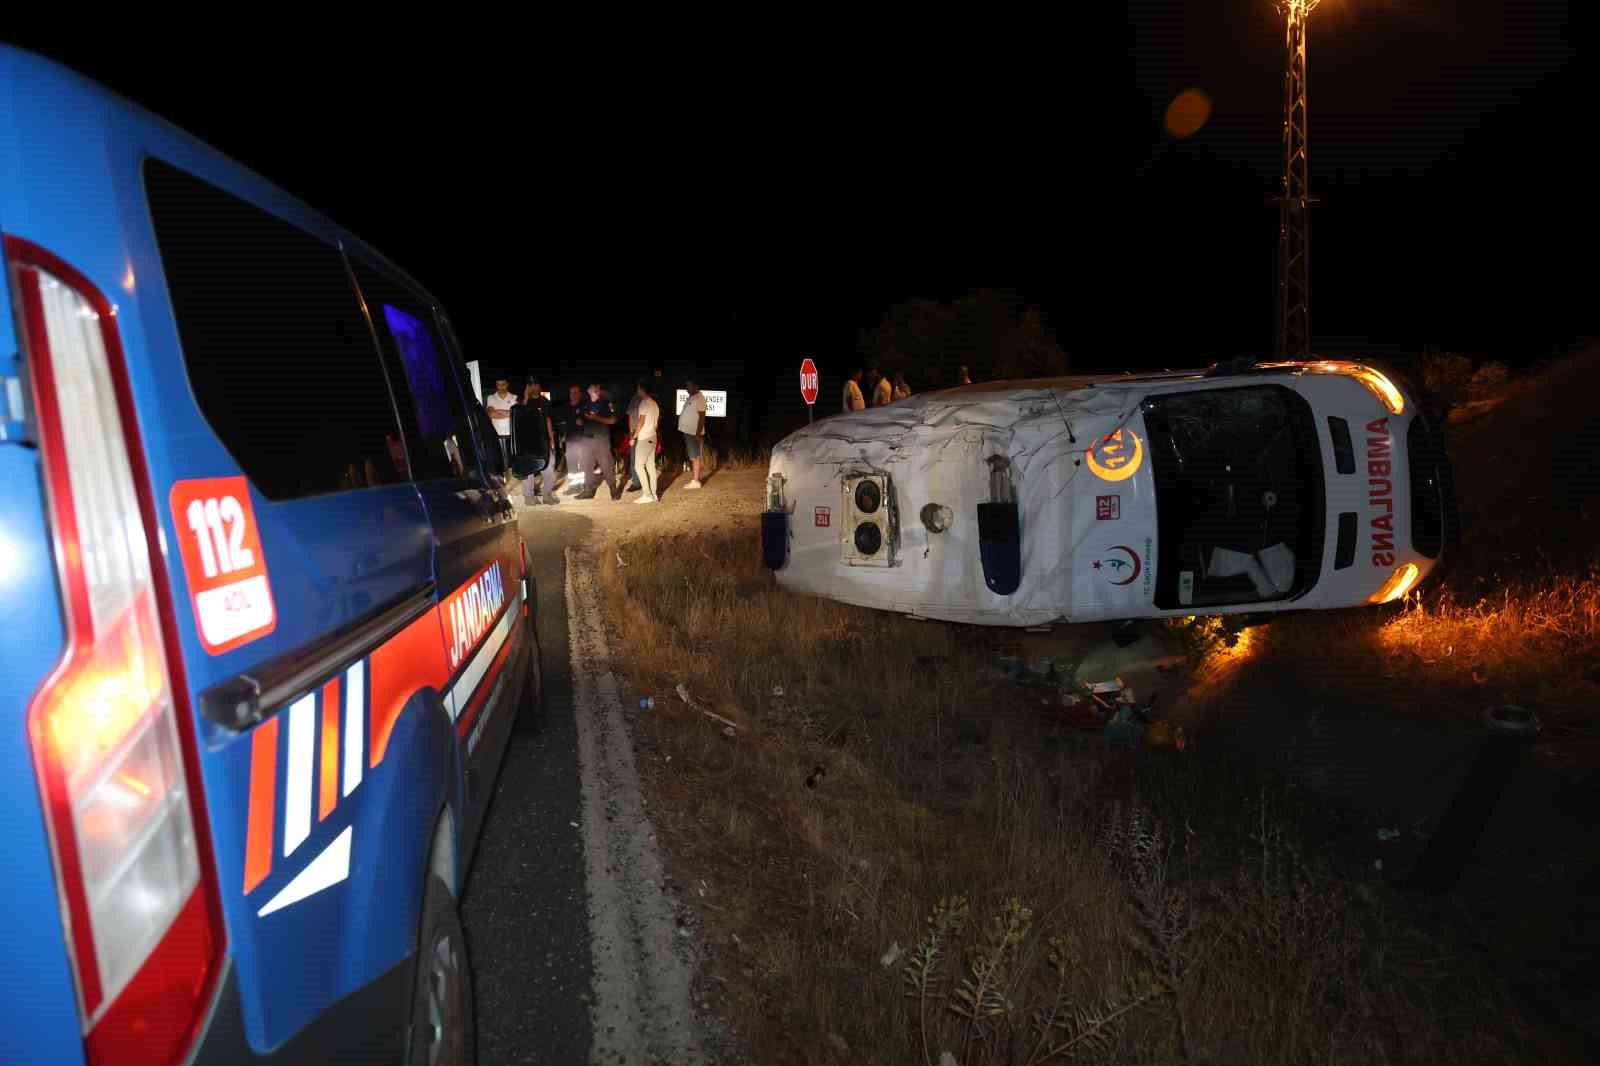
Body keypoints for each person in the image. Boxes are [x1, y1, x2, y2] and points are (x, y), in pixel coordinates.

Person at [518, 376, 559, 505]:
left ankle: (547, 495)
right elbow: (520, 415)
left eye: (536, 384)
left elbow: (548, 420)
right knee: (528, 469)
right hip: (527, 441)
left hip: (543, 439)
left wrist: (551, 439)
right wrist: (525, 396)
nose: (533, 387)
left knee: (549, 466)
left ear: (540, 386)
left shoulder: (544, 401)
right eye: (530, 385)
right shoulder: (522, 400)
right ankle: (528, 497)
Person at [576, 382, 619, 500]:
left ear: (597, 389)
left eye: (592, 386)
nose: (589, 388)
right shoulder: (585, 404)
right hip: (586, 440)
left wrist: (596, 418)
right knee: (586, 466)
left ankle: (613, 490)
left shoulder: (605, 404)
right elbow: (580, 417)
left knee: (606, 466)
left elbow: (613, 420)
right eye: (588, 387)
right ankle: (588, 491)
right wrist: (580, 421)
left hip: (601, 440)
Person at [630, 378, 661, 503]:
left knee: (638, 466)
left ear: (642, 389)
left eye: (638, 388)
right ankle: (654, 494)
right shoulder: (654, 404)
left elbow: (641, 422)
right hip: (653, 437)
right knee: (650, 467)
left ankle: (647, 494)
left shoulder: (644, 403)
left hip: (644, 438)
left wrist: (634, 437)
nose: (637, 391)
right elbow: (656, 424)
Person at [678, 377, 708, 489]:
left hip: (693, 433)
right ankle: (695, 479)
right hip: (688, 431)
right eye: (686, 386)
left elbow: (702, 417)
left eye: (689, 386)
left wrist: (698, 433)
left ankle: (696, 481)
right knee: (692, 455)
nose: (686, 388)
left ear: (696, 386)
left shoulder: (699, 398)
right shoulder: (692, 397)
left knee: (695, 456)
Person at [558, 384, 587, 496]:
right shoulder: (566, 407)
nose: (573, 395)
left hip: (582, 440)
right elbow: (559, 421)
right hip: (570, 441)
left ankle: (584, 487)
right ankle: (574, 487)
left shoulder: (585, 406)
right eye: (571, 392)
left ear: (579, 394)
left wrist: (584, 422)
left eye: (576, 392)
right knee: (571, 465)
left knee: (582, 465)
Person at [484, 378, 516, 473]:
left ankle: (512, 484)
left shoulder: (514, 397)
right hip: (497, 436)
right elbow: (491, 414)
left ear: (507, 384)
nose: (501, 387)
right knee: (500, 464)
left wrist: (499, 411)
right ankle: (504, 484)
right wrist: (510, 413)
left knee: (512, 464)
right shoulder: (491, 398)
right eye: (498, 384)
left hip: (512, 436)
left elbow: (516, 414)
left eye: (503, 384)